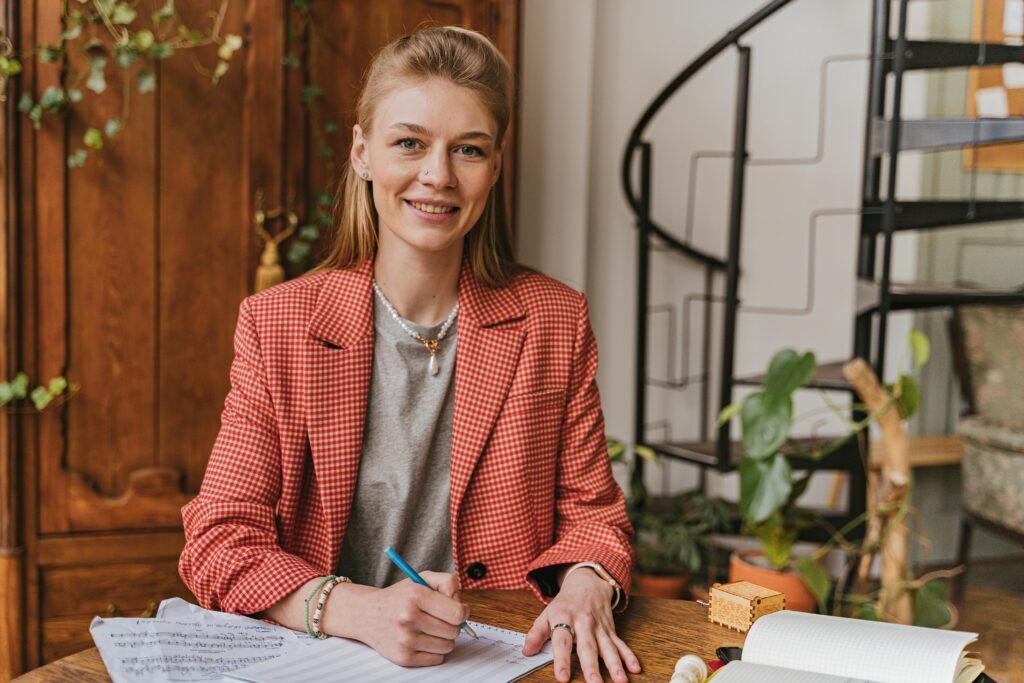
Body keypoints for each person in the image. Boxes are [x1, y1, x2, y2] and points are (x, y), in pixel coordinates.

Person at [179, 26, 639, 683]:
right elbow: (219, 543)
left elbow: (595, 518)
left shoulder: (554, 321)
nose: (438, 176)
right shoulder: (275, 325)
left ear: (496, 164)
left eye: (468, 149)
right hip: (327, 662)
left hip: (501, 661)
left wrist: (589, 581)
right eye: (409, 143)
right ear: (363, 152)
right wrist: (357, 609)